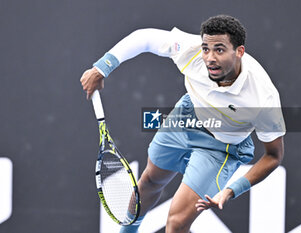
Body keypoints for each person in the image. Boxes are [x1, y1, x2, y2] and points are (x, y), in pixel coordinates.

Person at [80, 15, 285, 233]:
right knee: (149, 182)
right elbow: (144, 38)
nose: (210, 58)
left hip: (221, 148)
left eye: (220, 50)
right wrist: (102, 68)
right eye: (206, 48)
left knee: (177, 224)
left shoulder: (263, 97)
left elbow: (274, 156)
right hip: (185, 117)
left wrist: (233, 190)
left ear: (239, 52)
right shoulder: (191, 50)